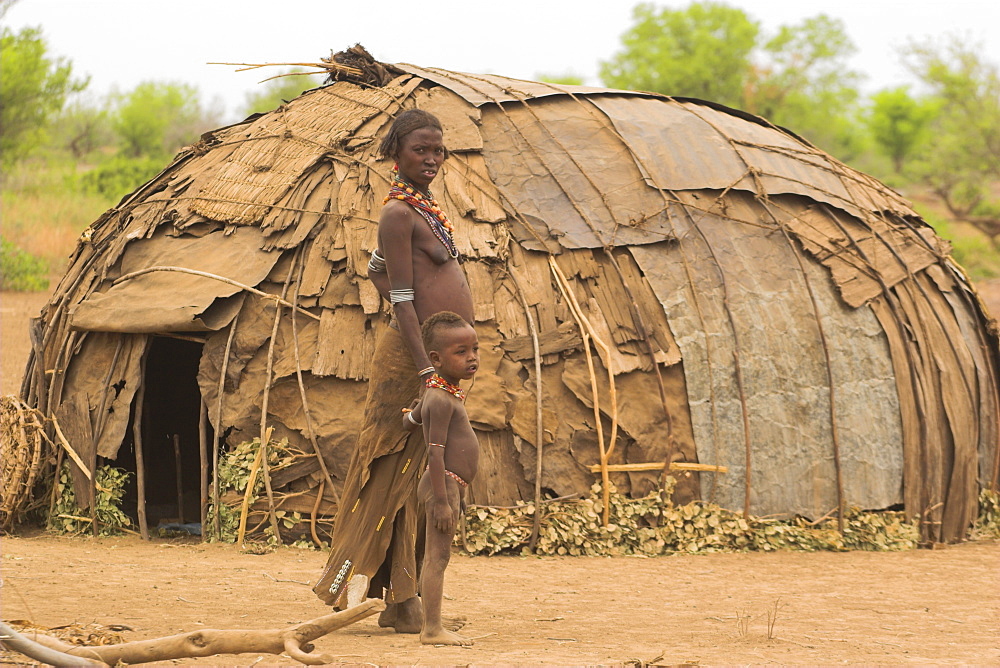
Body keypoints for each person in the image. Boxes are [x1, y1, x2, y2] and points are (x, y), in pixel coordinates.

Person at [313, 109, 475, 634]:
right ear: (396, 153)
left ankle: (403, 601)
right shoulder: (397, 214)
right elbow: (403, 300)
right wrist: (427, 367)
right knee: (389, 471)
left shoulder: (422, 209)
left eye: (437, 150)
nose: (431, 159)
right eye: (419, 151)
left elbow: (378, 271)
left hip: (427, 358)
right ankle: (351, 586)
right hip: (411, 360)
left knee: (419, 478)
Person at [405, 311, 479, 646]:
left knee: (437, 555)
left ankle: (431, 622)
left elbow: (414, 418)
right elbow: (434, 453)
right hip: (442, 485)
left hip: (449, 485)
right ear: (435, 358)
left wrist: (408, 417)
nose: (472, 357)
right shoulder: (439, 398)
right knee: (438, 558)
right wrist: (442, 501)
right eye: (461, 351)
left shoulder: (438, 393)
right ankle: (432, 629)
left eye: (474, 349)